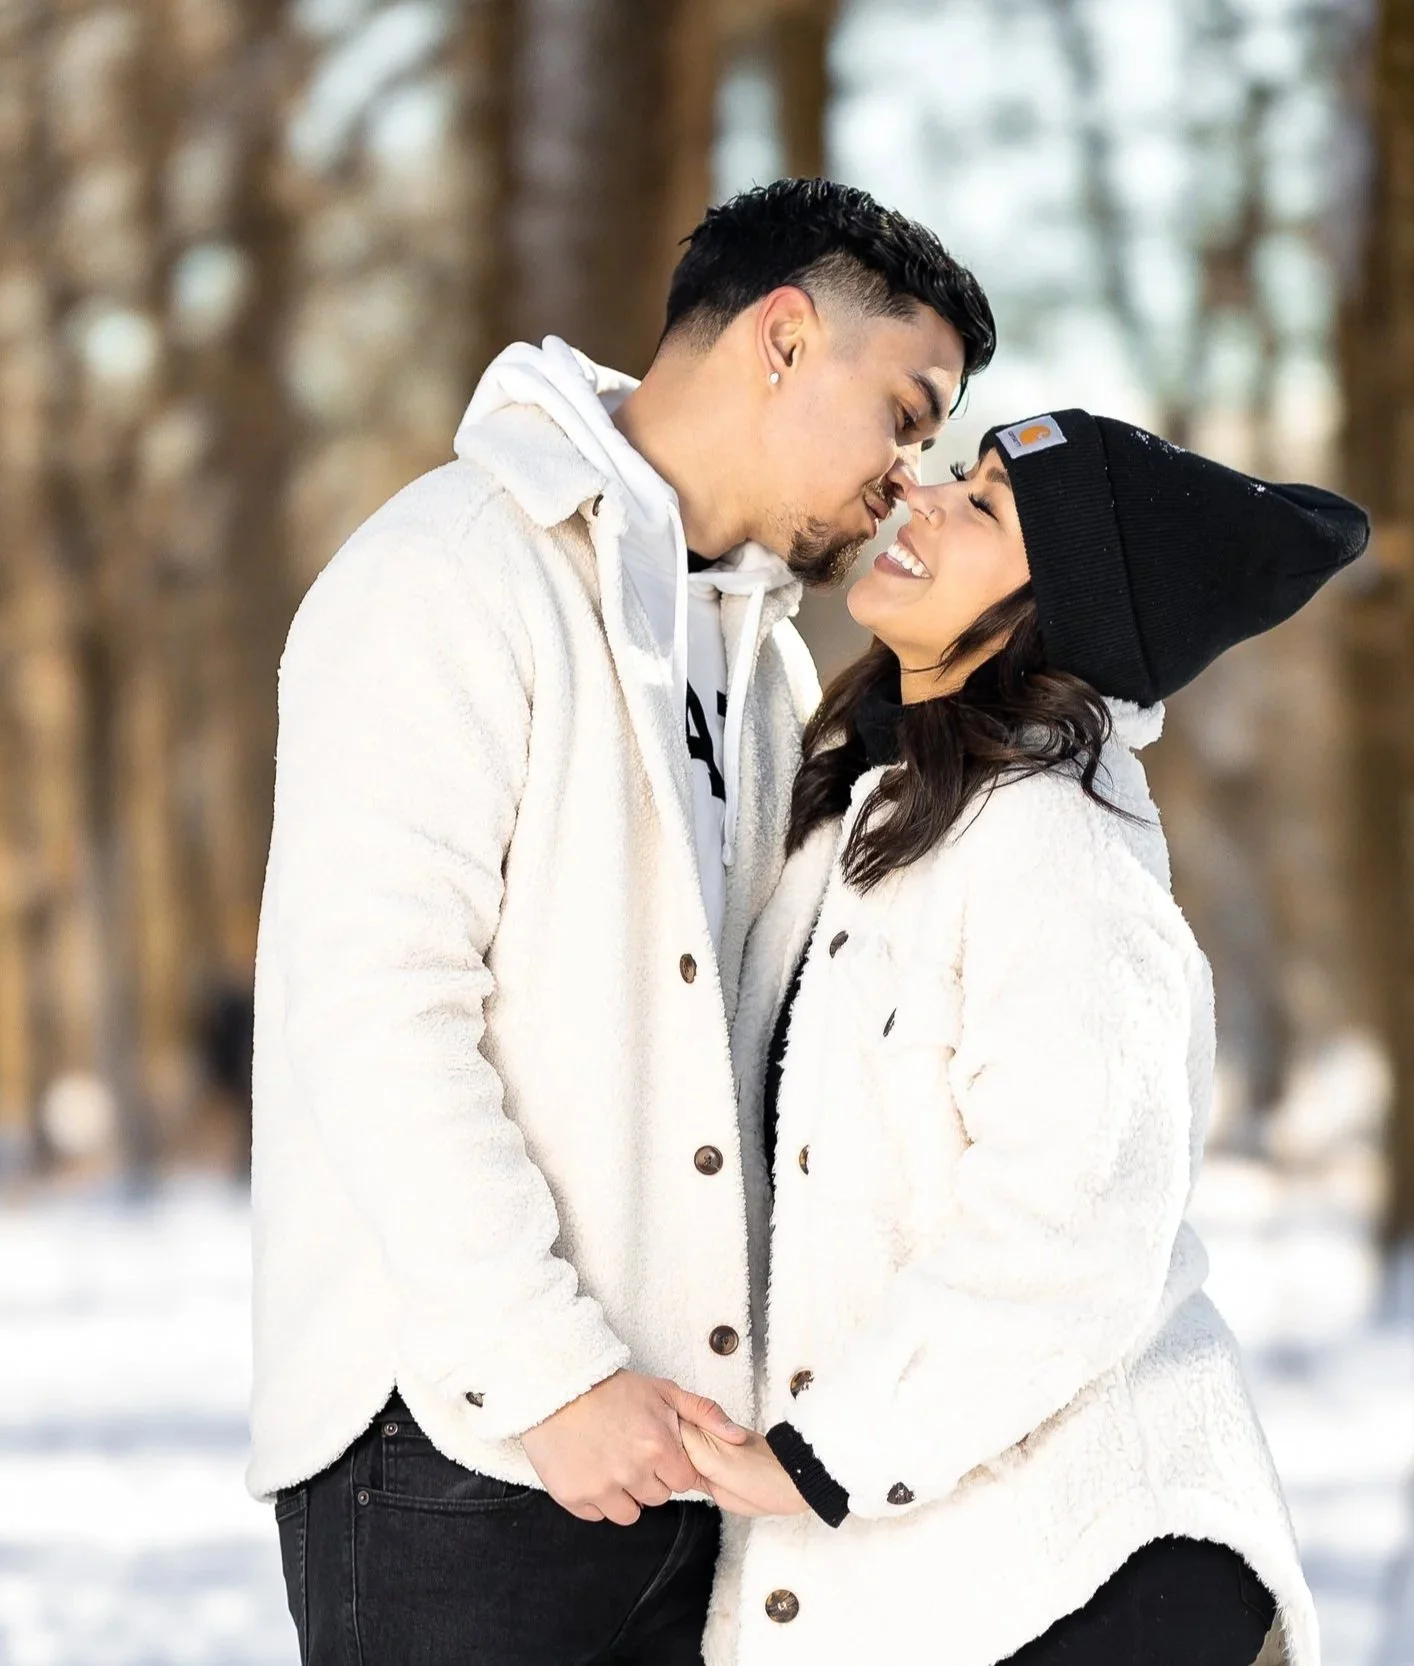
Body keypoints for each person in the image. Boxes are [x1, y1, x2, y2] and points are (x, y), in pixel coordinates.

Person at [248, 180, 996, 1666]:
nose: (911, 478)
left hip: (680, 1464)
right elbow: (375, 1008)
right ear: (784, 338)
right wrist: (551, 1376)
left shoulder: (760, 657)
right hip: (460, 1448)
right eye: (906, 416)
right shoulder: (455, 572)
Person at [681, 409, 1366, 1664]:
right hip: (940, 1574)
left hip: (1095, 1581)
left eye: (984, 507)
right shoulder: (860, 811)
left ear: (1061, 614)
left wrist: (830, 1454)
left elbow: (1069, 1225)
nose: (922, 501)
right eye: (953, 475)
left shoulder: (1053, 848)